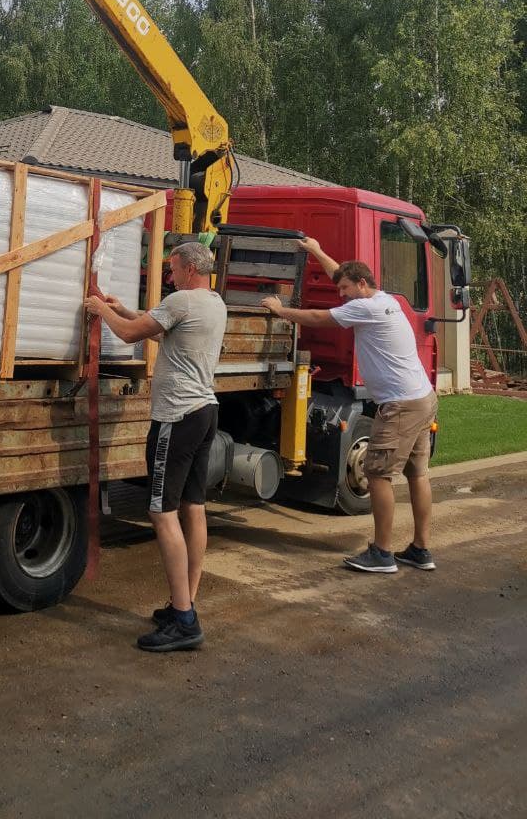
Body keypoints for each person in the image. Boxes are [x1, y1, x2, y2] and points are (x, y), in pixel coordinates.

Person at [262, 237, 438, 574]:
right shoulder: (386, 299)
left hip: (400, 404)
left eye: (344, 289)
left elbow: (316, 316)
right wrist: (316, 250)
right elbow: (340, 273)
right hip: (422, 397)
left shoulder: (365, 308)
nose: (340, 294)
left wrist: (279, 310)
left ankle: (382, 554)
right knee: (417, 474)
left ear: (361, 284)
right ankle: (420, 549)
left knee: (376, 474)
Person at [85, 240, 226, 652]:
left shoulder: (181, 300)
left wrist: (102, 311)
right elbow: (152, 324)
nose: (169, 275)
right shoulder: (213, 302)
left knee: (160, 512)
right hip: (204, 411)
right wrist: (121, 307)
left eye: (173, 268)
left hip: (176, 417)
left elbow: (130, 333)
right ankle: (186, 603)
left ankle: (183, 620)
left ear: (189, 270)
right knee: (193, 507)